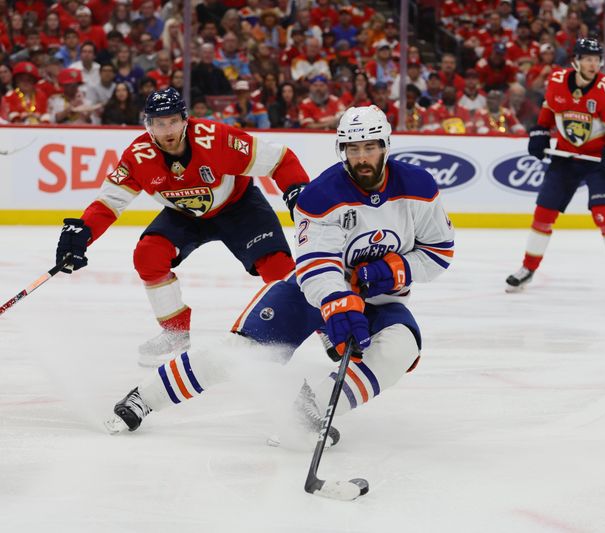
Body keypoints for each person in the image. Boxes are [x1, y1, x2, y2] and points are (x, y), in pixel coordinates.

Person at [103, 106, 455, 449]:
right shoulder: (320, 195)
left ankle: (308, 410)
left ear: (385, 146)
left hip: (382, 300)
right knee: (244, 354)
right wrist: (336, 300)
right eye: (353, 149)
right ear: (342, 149)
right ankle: (145, 397)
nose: (362, 157)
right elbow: (315, 262)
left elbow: (439, 252)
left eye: (370, 147)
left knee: (401, 348)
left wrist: (393, 270)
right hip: (310, 294)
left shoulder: (419, 188)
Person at [53, 87, 310, 365]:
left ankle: (326, 328)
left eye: (173, 121)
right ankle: (175, 332)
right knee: (148, 254)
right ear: (148, 125)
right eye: (159, 123)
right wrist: (82, 234)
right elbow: (108, 203)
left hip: (240, 207)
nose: (168, 130)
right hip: (184, 214)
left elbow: (281, 159)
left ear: (185, 119)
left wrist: (298, 194)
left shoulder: (217, 139)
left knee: (279, 268)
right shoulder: (138, 156)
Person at [505, 37, 605, 300]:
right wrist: (541, 131)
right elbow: (549, 107)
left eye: (597, 59)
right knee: (543, 214)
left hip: (597, 160)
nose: (593, 64)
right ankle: (528, 269)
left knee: (604, 216)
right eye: (587, 58)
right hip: (565, 156)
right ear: (575, 60)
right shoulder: (556, 81)